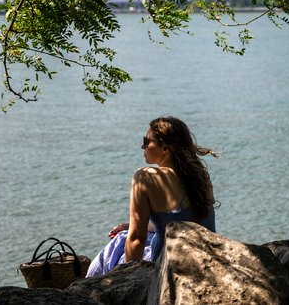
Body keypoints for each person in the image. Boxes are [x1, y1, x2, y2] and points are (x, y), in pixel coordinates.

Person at [86, 116, 217, 276]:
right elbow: (182, 221)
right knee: (124, 233)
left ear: (166, 149)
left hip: (166, 264)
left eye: (147, 141)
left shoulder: (146, 177)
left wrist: (128, 281)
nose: (142, 146)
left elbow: (137, 238)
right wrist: (129, 225)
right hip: (205, 258)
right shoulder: (200, 177)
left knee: (119, 243)